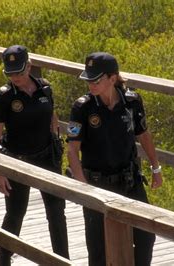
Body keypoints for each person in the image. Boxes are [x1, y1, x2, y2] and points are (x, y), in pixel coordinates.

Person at [66, 52, 163, 266]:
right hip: (97, 184)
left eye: (96, 79)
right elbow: (72, 150)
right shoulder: (82, 107)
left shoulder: (132, 101)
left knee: (146, 236)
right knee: (98, 250)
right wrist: (83, 186)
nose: (90, 84)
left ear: (112, 78)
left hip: (130, 181)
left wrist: (156, 167)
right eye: (88, 79)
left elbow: (143, 134)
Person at [0, 45, 69, 265]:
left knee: (56, 211)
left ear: (29, 66)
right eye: (10, 73)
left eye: (19, 71)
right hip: (17, 160)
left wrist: (58, 140)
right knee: (15, 214)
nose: (15, 77)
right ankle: (3, 257)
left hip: (46, 158)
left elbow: (53, 117)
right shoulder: (4, 97)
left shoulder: (45, 89)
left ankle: (62, 260)